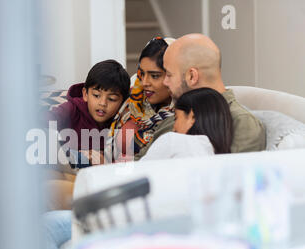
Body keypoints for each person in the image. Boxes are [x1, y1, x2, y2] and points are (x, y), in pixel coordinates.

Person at [138, 33, 266, 158]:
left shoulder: (242, 123)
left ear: (192, 76)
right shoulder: (172, 117)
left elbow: (233, 176)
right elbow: (136, 163)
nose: (165, 82)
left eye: (169, 75)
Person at [105, 36, 175, 162]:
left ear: (173, 74)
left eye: (154, 76)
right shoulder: (135, 98)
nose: (144, 82)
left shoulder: (182, 115)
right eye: (142, 73)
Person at [46, 59, 130, 163]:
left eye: (111, 99)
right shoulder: (72, 109)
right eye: (96, 95)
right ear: (85, 94)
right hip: (65, 163)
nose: (103, 103)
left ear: (122, 103)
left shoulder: (121, 123)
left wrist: (103, 162)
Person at [142, 87, 233, 160]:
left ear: (191, 117)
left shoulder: (173, 141)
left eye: (176, 118)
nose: (174, 128)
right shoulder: (227, 160)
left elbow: (136, 173)